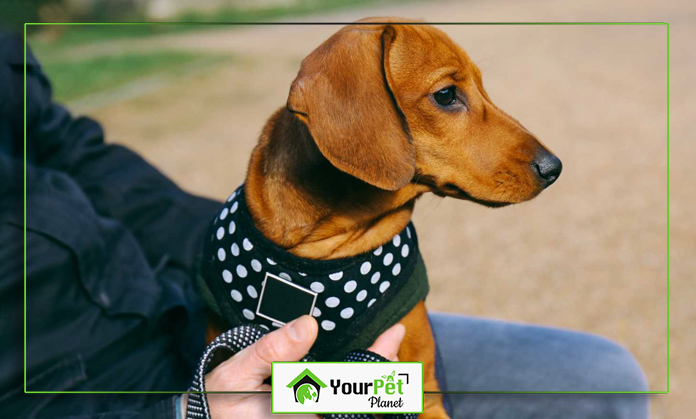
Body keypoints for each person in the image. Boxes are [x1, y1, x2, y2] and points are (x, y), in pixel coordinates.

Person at [0, 30, 650, 419]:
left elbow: (60, 143)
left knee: (601, 375)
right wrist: (185, 410)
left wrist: (252, 243)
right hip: (103, 394)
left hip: (176, 310)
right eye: (449, 98)